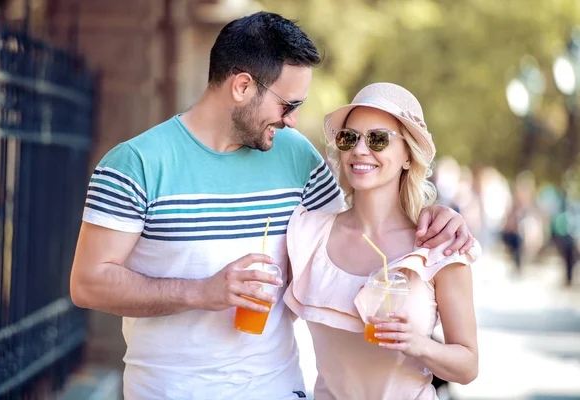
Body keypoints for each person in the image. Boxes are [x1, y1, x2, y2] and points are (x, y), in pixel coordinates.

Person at [70, 12, 475, 400]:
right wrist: (202, 292)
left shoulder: (297, 158)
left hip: (277, 389)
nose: (295, 122)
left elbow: (362, 223)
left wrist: (435, 215)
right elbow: (88, 284)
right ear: (243, 86)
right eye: (289, 105)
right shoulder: (135, 164)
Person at [284, 83, 480, 399]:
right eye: (349, 138)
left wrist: (419, 344)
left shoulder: (438, 246)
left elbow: (468, 366)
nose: (360, 150)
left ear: (407, 156)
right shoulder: (309, 234)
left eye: (378, 139)